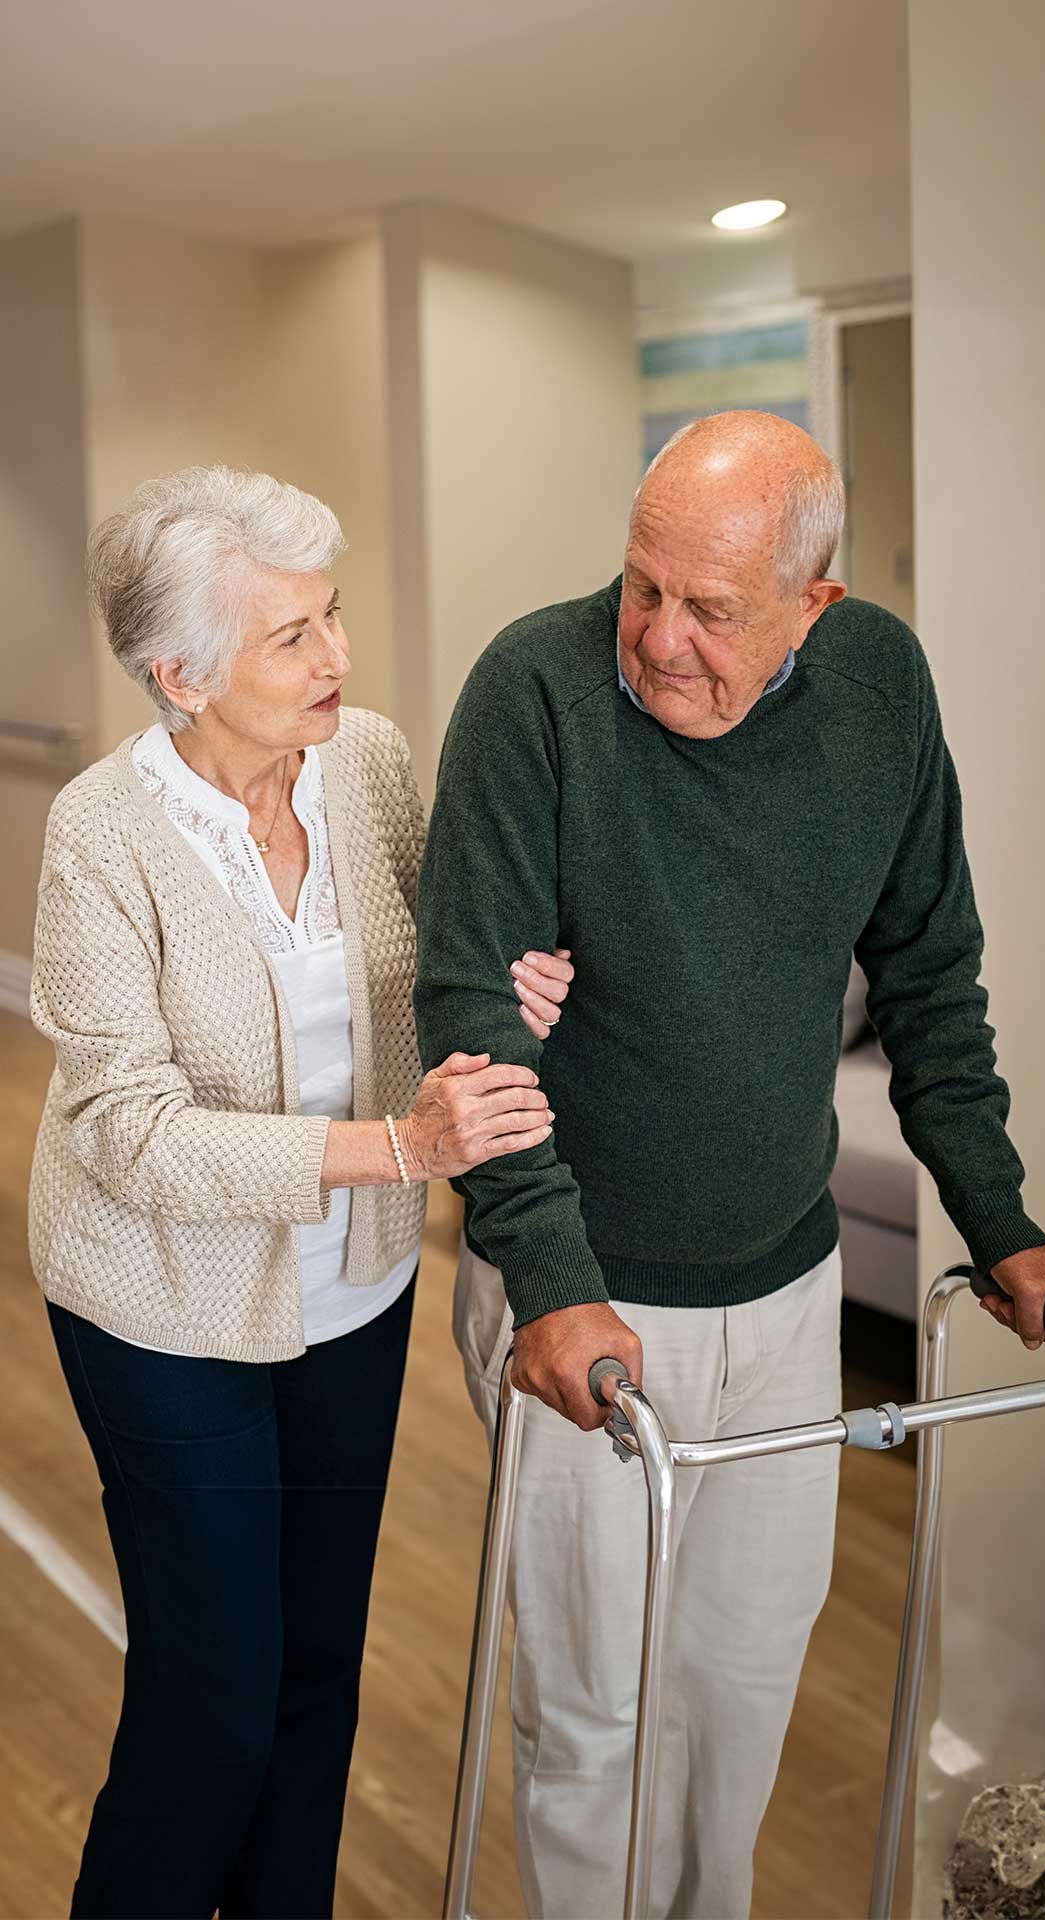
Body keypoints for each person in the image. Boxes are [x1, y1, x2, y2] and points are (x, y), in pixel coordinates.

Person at [413, 411, 1045, 1920]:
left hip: (787, 1290)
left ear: (813, 608)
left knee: (739, 1689)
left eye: (710, 610)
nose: (657, 639)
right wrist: (551, 1282)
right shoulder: (535, 689)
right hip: (582, 1287)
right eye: (642, 586)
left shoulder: (879, 688)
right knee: (590, 1720)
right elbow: (472, 1017)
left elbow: (929, 972)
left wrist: (1002, 1218)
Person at [27, 464, 574, 1920]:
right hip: (159, 1307)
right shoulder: (100, 834)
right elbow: (131, 1134)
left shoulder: (371, 761)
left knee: (320, 1674)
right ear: (180, 672)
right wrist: (400, 1149)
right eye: (292, 636)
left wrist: (507, 992)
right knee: (211, 1704)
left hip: (360, 1293)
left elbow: (436, 965)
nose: (337, 656)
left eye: (333, 617)